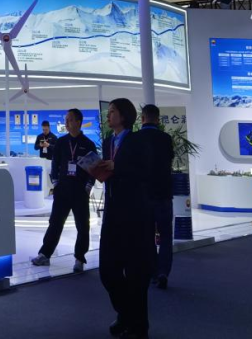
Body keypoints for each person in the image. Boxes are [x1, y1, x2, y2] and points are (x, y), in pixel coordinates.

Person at [95, 98, 153, 339]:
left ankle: (138, 326)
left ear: (124, 115)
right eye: (108, 111)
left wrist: (116, 167)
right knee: (107, 271)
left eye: (112, 111)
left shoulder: (137, 141)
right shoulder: (108, 141)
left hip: (134, 215)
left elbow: (146, 172)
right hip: (112, 214)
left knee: (136, 273)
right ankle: (126, 314)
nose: (108, 115)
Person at [30, 108, 96, 272]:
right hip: (63, 189)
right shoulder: (61, 142)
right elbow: (55, 164)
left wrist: (88, 186)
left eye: (69, 120)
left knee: (83, 225)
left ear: (78, 122)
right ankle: (45, 254)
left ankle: (79, 258)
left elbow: (94, 168)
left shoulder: (88, 144)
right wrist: (56, 183)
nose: (66, 123)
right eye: (66, 120)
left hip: (80, 191)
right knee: (55, 222)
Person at [138, 105, 174, 290]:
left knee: (147, 236)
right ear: (158, 119)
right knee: (166, 236)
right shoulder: (166, 139)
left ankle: (152, 272)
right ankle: (163, 272)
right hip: (164, 194)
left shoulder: (135, 138)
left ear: (142, 118)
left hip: (143, 196)